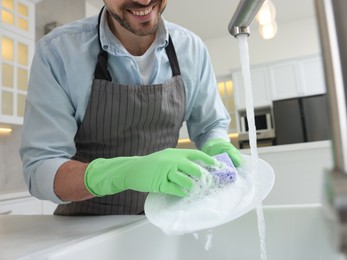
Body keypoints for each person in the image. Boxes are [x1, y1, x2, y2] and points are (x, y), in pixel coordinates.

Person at [20, 0, 242, 216]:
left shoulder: (192, 49)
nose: (144, 1)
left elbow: (211, 125)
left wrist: (216, 143)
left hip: (167, 219)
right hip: (86, 228)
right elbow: (41, 169)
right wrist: (125, 173)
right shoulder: (58, 52)